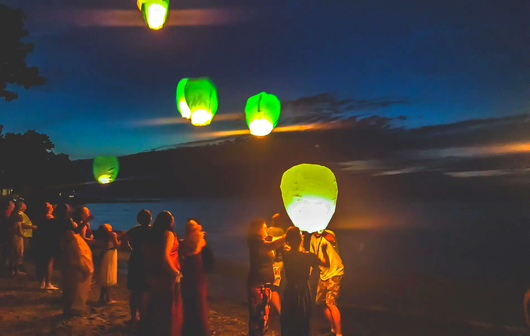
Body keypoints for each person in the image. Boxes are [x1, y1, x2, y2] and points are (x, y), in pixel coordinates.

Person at [281, 226, 329, 336]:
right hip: (302, 291)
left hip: (290, 290)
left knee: (289, 319)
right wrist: (324, 251)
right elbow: (326, 264)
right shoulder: (307, 256)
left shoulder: (285, 254)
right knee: (302, 319)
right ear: (300, 239)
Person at [142, 211, 183, 336]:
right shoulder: (168, 234)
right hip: (164, 274)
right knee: (166, 307)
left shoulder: (152, 234)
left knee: (156, 305)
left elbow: (145, 251)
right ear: (169, 221)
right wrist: (175, 272)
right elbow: (164, 256)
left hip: (152, 272)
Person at [246, 218, 286, 336]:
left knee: (262, 316)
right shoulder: (257, 243)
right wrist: (289, 235)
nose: (267, 229)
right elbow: (274, 244)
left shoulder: (261, 241)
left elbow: (274, 241)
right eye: (264, 227)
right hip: (258, 286)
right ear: (258, 230)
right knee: (258, 317)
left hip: (264, 285)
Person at [56, 203, 93, 316]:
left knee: (69, 278)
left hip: (68, 251)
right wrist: (87, 221)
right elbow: (76, 232)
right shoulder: (67, 221)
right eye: (67, 208)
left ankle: (68, 306)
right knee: (77, 276)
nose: (70, 209)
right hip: (74, 251)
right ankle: (74, 306)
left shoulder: (59, 221)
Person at [310, 229, 344, 336]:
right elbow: (313, 255)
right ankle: (333, 328)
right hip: (323, 274)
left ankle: (339, 333)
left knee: (331, 303)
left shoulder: (328, 234)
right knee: (320, 303)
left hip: (335, 272)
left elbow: (331, 239)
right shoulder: (312, 238)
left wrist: (321, 230)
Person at [180, 219, 208, 336]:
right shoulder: (188, 244)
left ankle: (195, 330)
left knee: (197, 305)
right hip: (190, 278)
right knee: (192, 305)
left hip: (195, 278)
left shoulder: (188, 243)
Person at [122, 209, 151, 323]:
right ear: (149, 219)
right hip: (146, 259)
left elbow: (124, 239)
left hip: (135, 258)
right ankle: (144, 315)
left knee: (135, 290)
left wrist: (131, 249)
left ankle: (133, 315)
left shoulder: (134, 230)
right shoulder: (151, 230)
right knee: (145, 289)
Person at [36, 202, 59, 290]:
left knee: (43, 262)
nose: (51, 205)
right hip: (50, 242)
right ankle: (48, 283)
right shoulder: (50, 219)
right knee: (49, 263)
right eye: (49, 205)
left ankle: (42, 282)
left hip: (42, 242)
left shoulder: (41, 218)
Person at [268, 213, 286, 315]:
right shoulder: (282, 232)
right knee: (275, 286)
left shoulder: (270, 230)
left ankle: (279, 311)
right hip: (280, 263)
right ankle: (277, 309)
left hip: (273, 262)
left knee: (272, 287)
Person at [98, 224, 120, 305]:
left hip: (106, 254)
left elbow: (102, 247)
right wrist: (121, 241)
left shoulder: (102, 236)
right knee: (109, 275)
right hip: (111, 254)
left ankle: (102, 298)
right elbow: (117, 245)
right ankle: (108, 298)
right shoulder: (112, 234)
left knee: (105, 275)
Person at [8, 205, 25, 276]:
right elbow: (19, 229)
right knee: (17, 254)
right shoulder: (18, 217)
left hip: (12, 236)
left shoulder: (12, 215)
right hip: (17, 237)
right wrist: (24, 236)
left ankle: (12, 270)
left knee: (13, 253)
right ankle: (15, 270)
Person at [0, 200, 15, 270]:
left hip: (7, 233)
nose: (13, 204)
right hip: (7, 234)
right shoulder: (8, 212)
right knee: (7, 249)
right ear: (9, 205)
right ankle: (6, 264)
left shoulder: (10, 212)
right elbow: (9, 221)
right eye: (12, 203)